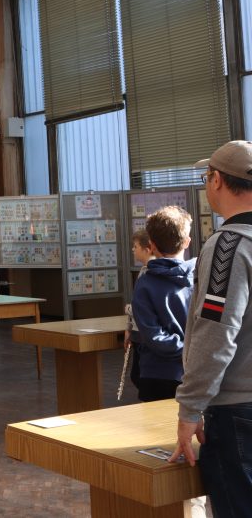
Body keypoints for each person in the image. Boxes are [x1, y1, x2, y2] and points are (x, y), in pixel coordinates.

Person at [171, 141, 252, 515]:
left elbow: (216, 335)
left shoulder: (229, 246)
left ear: (217, 180)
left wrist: (190, 409)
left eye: (206, 177)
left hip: (238, 412)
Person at [130, 207, 194, 403]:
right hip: (197, 372)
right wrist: (195, 352)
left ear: (151, 245)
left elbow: (153, 334)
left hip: (157, 374)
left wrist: (183, 350)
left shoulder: (145, 283)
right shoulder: (201, 277)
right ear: (187, 242)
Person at [126, 228, 157, 387]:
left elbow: (141, 305)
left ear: (147, 248)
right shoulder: (144, 270)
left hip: (143, 332)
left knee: (140, 375)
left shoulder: (149, 272)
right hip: (139, 331)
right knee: (137, 375)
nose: (133, 250)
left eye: (136, 246)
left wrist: (128, 310)